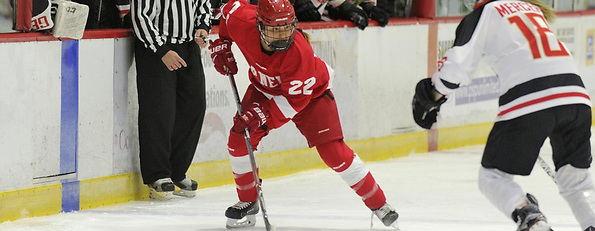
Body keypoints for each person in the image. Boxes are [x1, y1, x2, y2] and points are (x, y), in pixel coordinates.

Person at [412, 0, 595, 231]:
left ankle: (532, 220)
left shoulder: (485, 12)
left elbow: (456, 67)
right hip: (576, 97)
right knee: (576, 179)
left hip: (530, 98)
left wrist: (431, 95)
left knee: (492, 178)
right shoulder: (532, 8)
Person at [208, 0, 398, 228]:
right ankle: (248, 200)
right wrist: (223, 43)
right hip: (265, 89)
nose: (282, 36)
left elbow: (295, 101)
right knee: (238, 139)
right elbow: (228, 14)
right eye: (274, 29)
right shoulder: (242, 18)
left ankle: (379, 203)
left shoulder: (298, 52)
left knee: (333, 153)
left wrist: (263, 115)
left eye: (287, 28)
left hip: (311, 95)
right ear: (259, 24)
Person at [130, 0, 212, 200]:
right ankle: (157, 174)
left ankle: (177, 170)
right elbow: (140, 16)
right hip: (157, 50)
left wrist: (202, 26)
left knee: (195, 106)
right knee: (159, 110)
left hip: (188, 47)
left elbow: (204, 4)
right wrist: (161, 50)